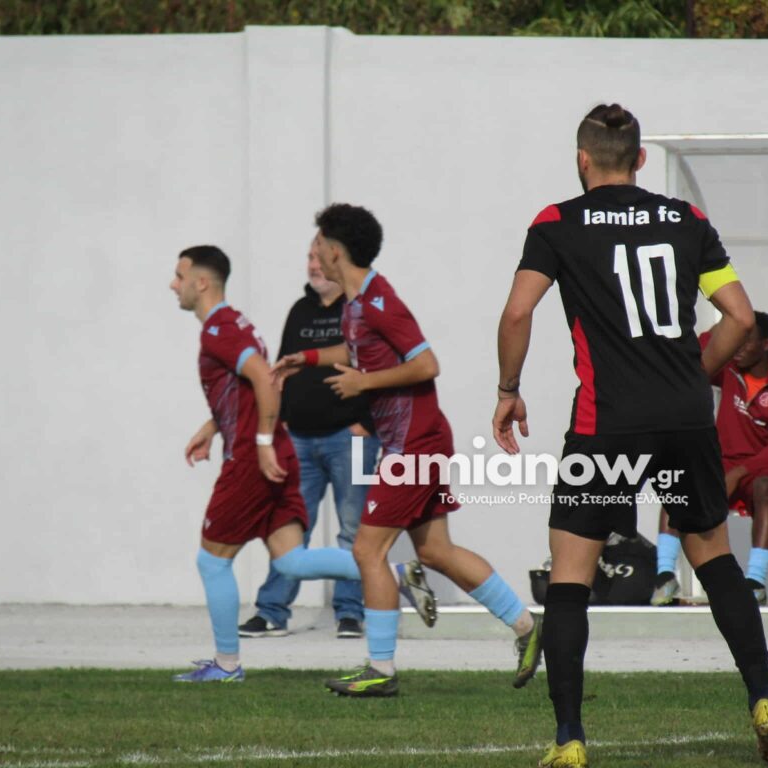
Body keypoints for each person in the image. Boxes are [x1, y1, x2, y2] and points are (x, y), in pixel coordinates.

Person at [493, 104, 768, 768]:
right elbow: (740, 317)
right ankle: (764, 698)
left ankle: (570, 738)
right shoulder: (686, 220)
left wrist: (508, 389)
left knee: (571, 575)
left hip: (607, 423)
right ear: (640, 160)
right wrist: (694, 372)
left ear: (582, 160)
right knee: (713, 557)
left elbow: (517, 313)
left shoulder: (557, 223)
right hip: (685, 418)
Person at [273, 203, 542, 698]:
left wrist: (363, 384)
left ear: (336, 251)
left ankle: (380, 668)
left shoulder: (379, 301)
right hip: (416, 439)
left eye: (318, 245)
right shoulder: (355, 304)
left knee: (366, 550)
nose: (314, 254)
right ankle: (528, 627)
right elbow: (356, 350)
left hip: (413, 444)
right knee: (435, 551)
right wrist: (306, 358)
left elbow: (427, 364)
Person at [168, 245, 380, 683]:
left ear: (201, 283)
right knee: (292, 561)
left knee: (212, 561)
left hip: (253, 457)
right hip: (275, 449)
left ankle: (227, 665)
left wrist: (261, 442)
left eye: (179, 276)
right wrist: (213, 426)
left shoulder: (219, 329)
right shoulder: (234, 323)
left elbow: (264, 379)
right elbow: (255, 385)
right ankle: (397, 573)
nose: (174, 285)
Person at [239, 235, 380, 640]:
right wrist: (278, 424)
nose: (313, 265)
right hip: (298, 439)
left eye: (320, 258)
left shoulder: (360, 309)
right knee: (290, 528)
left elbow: (379, 364)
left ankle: (350, 613)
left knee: (353, 529)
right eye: (309, 257)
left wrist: (366, 423)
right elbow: (280, 371)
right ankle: (272, 612)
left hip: (350, 438)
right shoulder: (300, 310)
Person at [652, 312, 768, 607]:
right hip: (721, 463)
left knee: (765, 488)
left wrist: (740, 472)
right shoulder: (728, 368)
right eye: (738, 339)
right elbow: (702, 344)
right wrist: (732, 317)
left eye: (747, 341)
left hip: (759, 469)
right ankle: (664, 576)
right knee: (678, 483)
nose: (738, 347)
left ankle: (755, 581)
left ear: (766, 344)